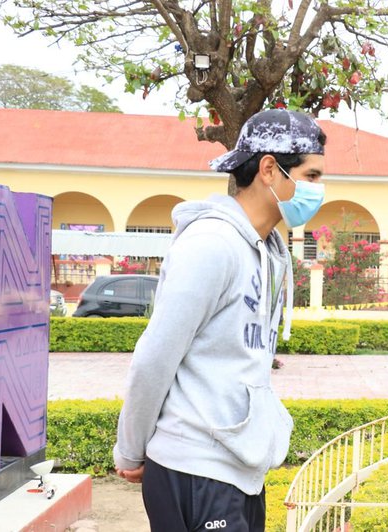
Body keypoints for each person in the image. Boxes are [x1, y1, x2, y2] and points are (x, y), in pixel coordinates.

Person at [113, 108, 327, 531]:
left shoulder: (266, 249)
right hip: (196, 467)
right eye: (312, 175)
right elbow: (155, 357)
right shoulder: (211, 244)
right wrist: (130, 450)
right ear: (270, 169)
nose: (318, 190)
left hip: (239, 469)